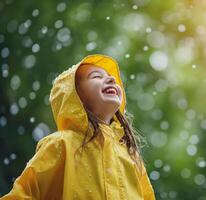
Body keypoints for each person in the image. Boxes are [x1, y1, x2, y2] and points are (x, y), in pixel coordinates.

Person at [0, 54, 156, 199]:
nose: (111, 80)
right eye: (96, 76)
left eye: (111, 77)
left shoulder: (131, 156)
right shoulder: (60, 144)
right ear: (74, 96)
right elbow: (24, 194)